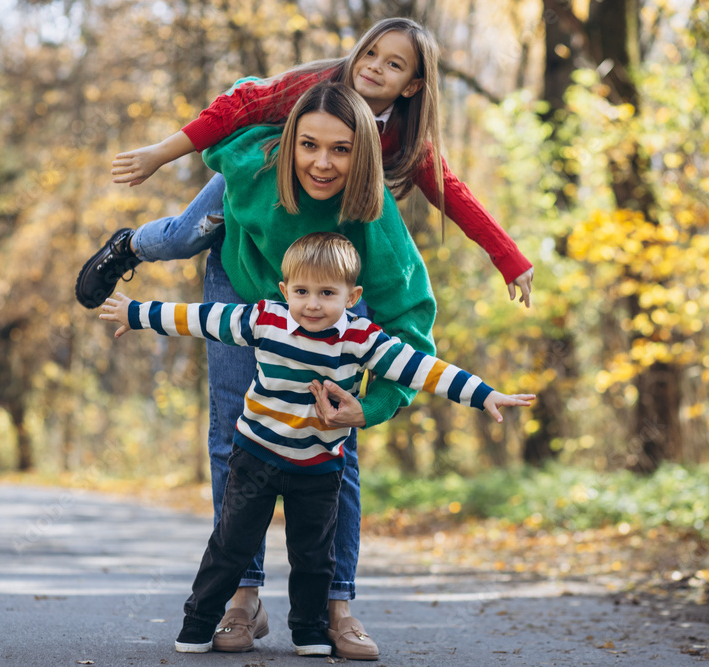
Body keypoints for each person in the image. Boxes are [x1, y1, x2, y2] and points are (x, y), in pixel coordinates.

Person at [98, 231, 535, 656]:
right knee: (232, 543)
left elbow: (419, 368)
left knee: (313, 556)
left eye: (327, 293)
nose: (312, 304)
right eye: (302, 291)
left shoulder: (361, 337)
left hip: (319, 466)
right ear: (285, 289)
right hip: (257, 456)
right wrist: (136, 313)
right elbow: (199, 319)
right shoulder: (265, 319)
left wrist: (484, 394)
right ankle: (198, 621)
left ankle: (308, 630)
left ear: (351, 295)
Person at [76, 17, 534, 311]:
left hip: (309, 207)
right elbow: (238, 107)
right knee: (183, 237)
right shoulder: (313, 86)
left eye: (393, 65)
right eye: (370, 52)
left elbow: (450, 191)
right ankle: (128, 246)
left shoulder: (404, 137)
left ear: (412, 86)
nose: (374, 67)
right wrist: (159, 153)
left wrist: (508, 257)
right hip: (259, 174)